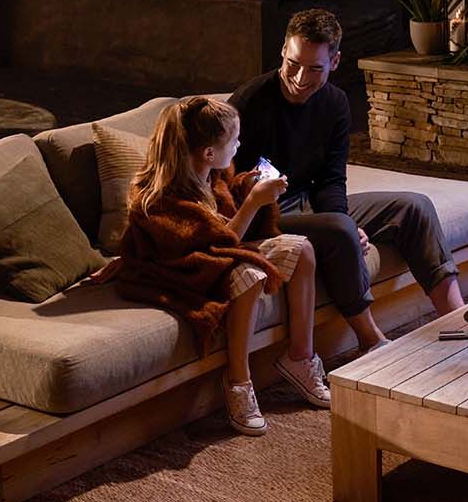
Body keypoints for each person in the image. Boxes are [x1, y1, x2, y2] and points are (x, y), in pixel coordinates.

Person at [229, 9, 464, 356]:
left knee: (415, 207)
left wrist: (347, 220)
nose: (298, 77)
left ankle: (458, 323)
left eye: (314, 68)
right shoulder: (249, 104)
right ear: (283, 50)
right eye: (293, 63)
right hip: (262, 216)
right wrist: (343, 226)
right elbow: (229, 187)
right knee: (339, 228)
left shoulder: (335, 104)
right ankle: (372, 342)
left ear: (335, 61)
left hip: (309, 203)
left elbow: (331, 179)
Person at [113, 97, 330, 436]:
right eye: (234, 141)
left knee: (302, 249)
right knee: (250, 275)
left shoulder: (212, 175)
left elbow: (225, 217)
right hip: (184, 271)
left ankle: (300, 358)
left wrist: (248, 186)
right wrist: (256, 202)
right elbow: (213, 246)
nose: (240, 145)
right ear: (208, 153)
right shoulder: (158, 199)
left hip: (219, 256)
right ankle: (238, 383)